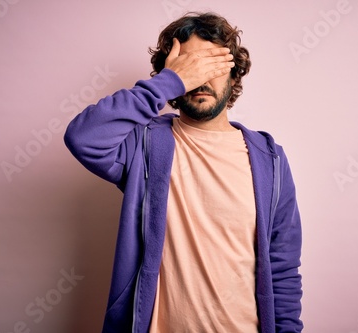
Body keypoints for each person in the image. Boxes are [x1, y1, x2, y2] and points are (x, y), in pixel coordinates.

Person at [64, 12, 303, 333]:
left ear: (234, 75)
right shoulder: (144, 145)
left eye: (212, 65)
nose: (201, 78)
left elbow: (283, 265)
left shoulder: (269, 158)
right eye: (192, 66)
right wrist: (168, 82)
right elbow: (83, 137)